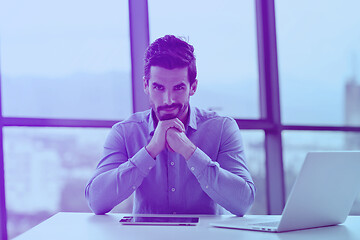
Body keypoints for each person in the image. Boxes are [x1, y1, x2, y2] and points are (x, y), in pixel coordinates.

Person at [85, 35, 255, 216]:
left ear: (193, 87)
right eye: (158, 88)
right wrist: (150, 151)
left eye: (178, 88)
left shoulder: (222, 129)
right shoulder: (125, 132)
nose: (168, 100)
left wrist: (190, 151)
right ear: (146, 85)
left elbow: (243, 203)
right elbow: (96, 201)